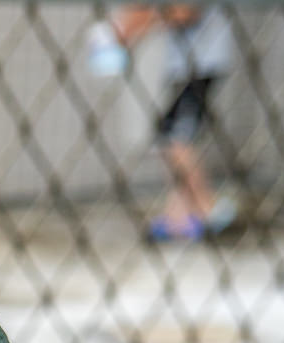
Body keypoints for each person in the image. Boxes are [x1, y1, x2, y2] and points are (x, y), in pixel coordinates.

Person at [101, 5, 238, 241]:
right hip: (184, 65)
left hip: (201, 62)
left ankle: (209, 210)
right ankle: (178, 216)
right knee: (171, 134)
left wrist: (135, 24)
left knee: (176, 136)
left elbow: (186, 11)